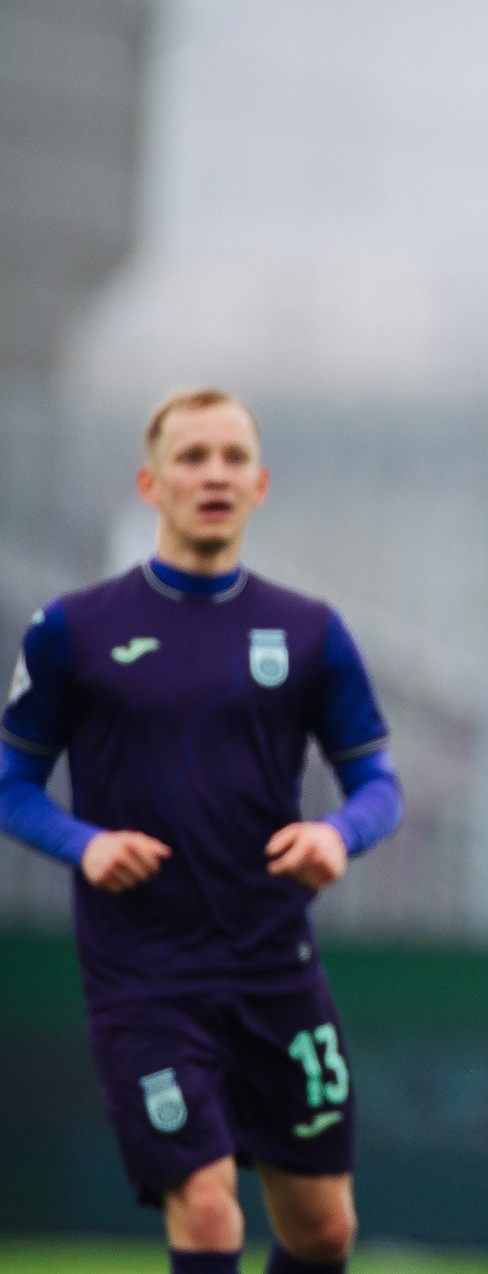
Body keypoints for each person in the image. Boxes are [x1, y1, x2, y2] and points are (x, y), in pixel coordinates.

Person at [0, 388, 403, 1274]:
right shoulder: (73, 631)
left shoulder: (309, 632)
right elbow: (11, 784)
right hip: (143, 977)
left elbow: (378, 783)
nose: (212, 474)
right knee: (210, 1204)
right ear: (151, 483)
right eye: (192, 457)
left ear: (259, 486)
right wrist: (86, 844)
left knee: (324, 1231)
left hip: (273, 965)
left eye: (231, 458)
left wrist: (338, 835)